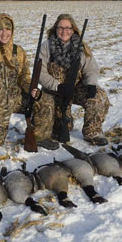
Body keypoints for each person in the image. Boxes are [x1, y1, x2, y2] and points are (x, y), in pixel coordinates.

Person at [0, 13, 59, 150]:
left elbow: (24, 77)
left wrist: (31, 89)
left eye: (8, 29)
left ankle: (40, 137)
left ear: (12, 30)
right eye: (0, 29)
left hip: (15, 97)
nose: (4, 33)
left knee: (45, 100)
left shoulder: (19, 51)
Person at [38, 14, 110, 146]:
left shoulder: (81, 47)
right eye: (60, 28)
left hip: (75, 88)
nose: (64, 31)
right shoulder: (46, 47)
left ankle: (92, 134)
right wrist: (57, 86)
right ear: (55, 29)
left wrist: (91, 84)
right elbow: (40, 73)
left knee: (98, 96)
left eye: (67, 28)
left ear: (73, 30)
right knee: (61, 129)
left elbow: (91, 69)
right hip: (55, 91)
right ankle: (64, 122)